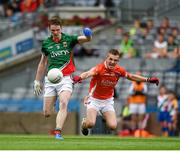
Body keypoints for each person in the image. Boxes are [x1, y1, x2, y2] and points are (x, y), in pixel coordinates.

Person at [73, 49, 159, 136]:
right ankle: (84, 124)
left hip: (107, 101)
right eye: (110, 59)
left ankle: (103, 116)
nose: (112, 62)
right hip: (94, 100)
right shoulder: (99, 68)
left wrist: (147, 79)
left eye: (115, 60)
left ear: (118, 61)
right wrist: (80, 77)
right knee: (91, 124)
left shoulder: (119, 70)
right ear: (106, 58)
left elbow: (131, 76)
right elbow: (88, 73)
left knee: (113, 126)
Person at [33, 15, 92, 140]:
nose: (55, 32)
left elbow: (85, 39)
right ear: (49, 29)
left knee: (64, 103)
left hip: (66, 78)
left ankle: (58, 132)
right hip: (50, 79)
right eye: (53, 30)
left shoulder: (69, 39)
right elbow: (43, 63)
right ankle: (53, 102)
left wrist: (88, 36)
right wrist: (37, 80)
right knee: (47, 113)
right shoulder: (46, 43)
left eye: (57, 30)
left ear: (61, 28)